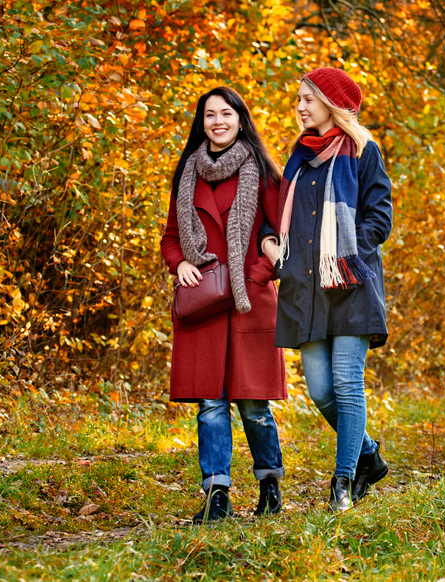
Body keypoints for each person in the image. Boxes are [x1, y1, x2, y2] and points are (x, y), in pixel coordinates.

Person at [260, 67, 392, 512]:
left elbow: (380, 216)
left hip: (350, 284)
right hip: (306, 290)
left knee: (347, 385)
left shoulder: (362, 149)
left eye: (308, 99)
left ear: (331, 104)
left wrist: (350, 252)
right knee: (319, 390)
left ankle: (343, 481)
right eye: (298, 99)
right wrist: (272, 247)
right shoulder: (298, 156)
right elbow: (275, 216)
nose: (299, 107)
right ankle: (369, 456)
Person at [160, 86, 288, 523]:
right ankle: (217, 493)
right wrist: (179, 265)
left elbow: (279, 239)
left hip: (250, 302)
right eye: (210, 114)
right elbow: (171, 237)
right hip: (204, 305)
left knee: (253, 405)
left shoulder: (264, 175)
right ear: (202, 122)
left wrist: (252, 278)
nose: (218, 121)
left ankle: (269, 482)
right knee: (210, 404)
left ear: (240, 119)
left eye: (226, 113)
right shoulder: (186, 175)